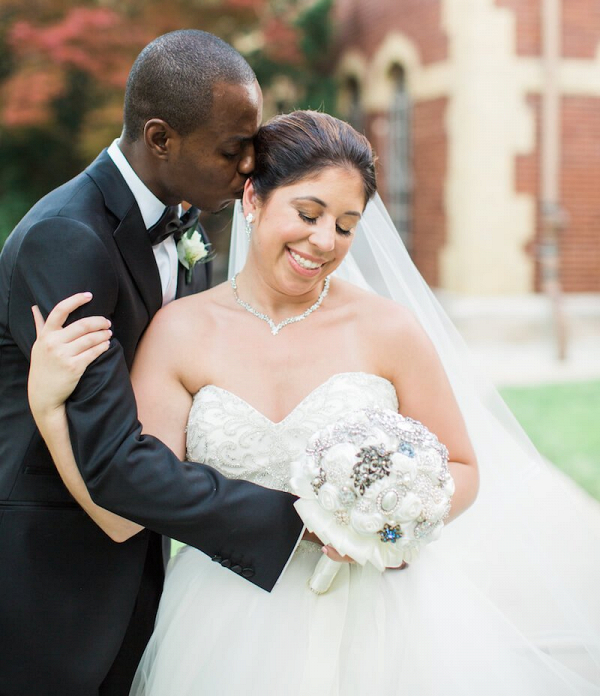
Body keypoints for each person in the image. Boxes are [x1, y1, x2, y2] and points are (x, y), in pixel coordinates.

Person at [28, 111, 600, 694]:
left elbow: (464, 468)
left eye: (347, 225)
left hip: (379, 624)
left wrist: (389, 521)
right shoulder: (180, 332)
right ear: (252, 198)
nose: (325, 242)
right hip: (221, 630)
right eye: (308, 214)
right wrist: (50, 412)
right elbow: (121, 515)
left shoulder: (387, 330)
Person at [0, 31, 304, 696]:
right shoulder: (66, 239)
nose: (250, 167)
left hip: (140, 562)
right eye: (233, 149)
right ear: (160, 138)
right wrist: (296, 517)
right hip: (49, 577)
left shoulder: (184, 224)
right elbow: (109, 457)